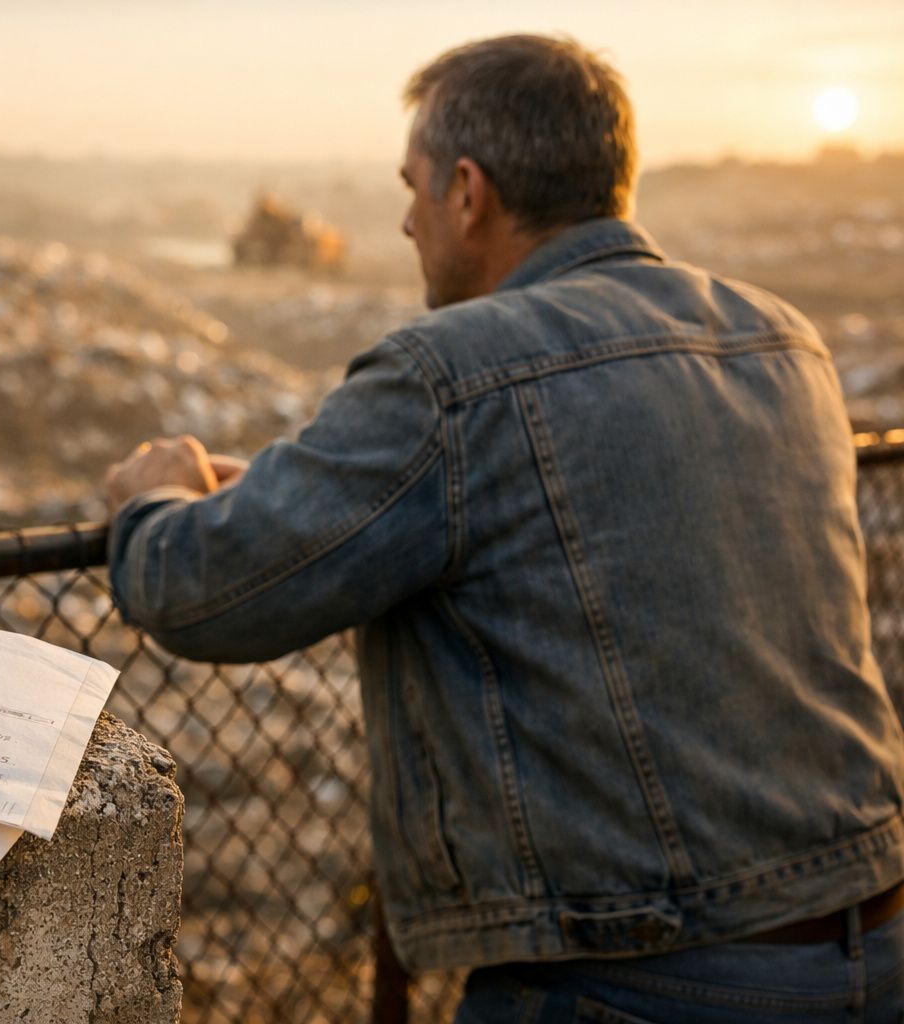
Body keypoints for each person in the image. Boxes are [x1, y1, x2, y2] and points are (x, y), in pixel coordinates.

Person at [103, 34, 904, 1022]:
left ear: (469, 192)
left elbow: (197, 591)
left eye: (414, 187)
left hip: (634, 977)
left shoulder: (450, 376)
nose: (403, 220)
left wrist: (155, 497)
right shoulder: (780, 337)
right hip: (872, 935)